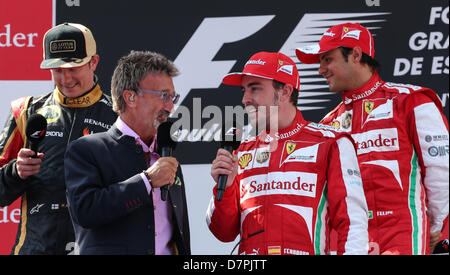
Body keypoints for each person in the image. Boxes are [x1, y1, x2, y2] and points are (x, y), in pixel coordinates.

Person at [295, 22, 449, 254]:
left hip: (403, 238)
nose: (321, 70)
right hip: (350, 244)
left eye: (327, 59)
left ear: (356, 55)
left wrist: (436, 229)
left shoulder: (411, 101)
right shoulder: (327, 126)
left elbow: (441, 172)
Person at [206, 51, 369, 255]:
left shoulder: (330, 143)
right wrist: (227, 188)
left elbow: (352, 222)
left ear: (284, 92)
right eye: (243, 91)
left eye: (254, 89)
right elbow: (223, 233)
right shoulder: (241, 151)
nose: (245, 99)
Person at [0, 23, 117, 254]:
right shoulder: (25, 111)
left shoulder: (119, 116)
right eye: (57, 70)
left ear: (93, 62)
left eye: (73, 68)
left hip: (96, 247)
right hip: (34, 248)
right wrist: (16, 172)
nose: (65, 78)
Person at [64, 50, 190, 255]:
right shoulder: (86, 150)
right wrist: (146, 181)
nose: (170, 107)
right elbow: (85, 212)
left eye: (173, 97)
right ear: (130, 97)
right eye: (164, 96)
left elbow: (178, 235)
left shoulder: (167, 156)